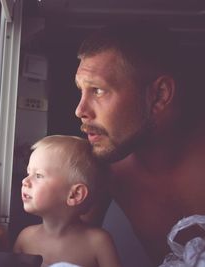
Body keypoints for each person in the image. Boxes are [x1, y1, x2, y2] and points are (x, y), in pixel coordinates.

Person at [74, 21, 205, 264]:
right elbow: (67, 241)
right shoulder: (106, 168)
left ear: (159, 95)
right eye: (81, 90)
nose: (80, 110)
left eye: (98, 90)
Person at [0, 135, 121, 267]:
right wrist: (1, 240)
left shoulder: (98, 243)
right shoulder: (26, 238)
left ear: (75, 195)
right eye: (28, 173)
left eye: (38, 175)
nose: (25, 181)